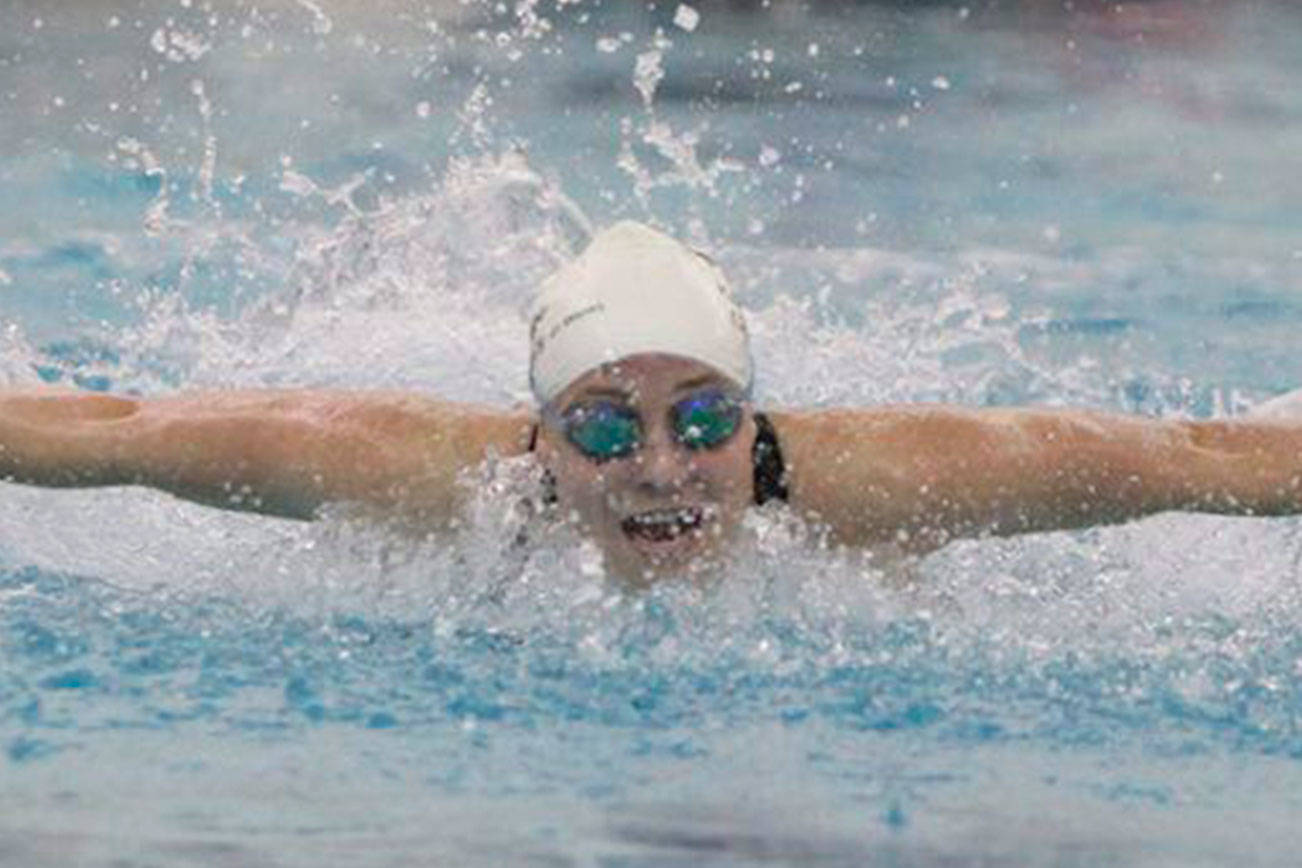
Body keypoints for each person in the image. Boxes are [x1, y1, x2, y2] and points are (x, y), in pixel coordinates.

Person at [3, 220, 1302, 584]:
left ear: (754, 416)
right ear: (539, 436)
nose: (664, 470)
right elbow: (118, 435)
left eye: (704, 419)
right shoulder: (396, 469)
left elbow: (1201, 456)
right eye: (606, 426)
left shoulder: (904, 474)